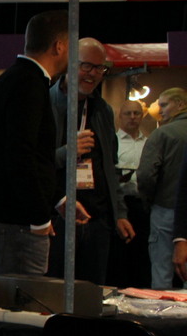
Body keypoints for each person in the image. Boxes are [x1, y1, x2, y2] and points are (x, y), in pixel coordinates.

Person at [0, 10, 70, 285]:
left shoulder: (12, 79)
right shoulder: (29, 84)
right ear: (59, 46)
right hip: (12, 221)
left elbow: (26, 154)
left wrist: (57, 198)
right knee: (18, 303)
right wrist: (39, 217)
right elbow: (20, 156)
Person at [46, 37, 134, 286]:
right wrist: (67, 152)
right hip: (57, 218)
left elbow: (110, 167)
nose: (93, 74)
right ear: (70, 64)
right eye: (86, 66)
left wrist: (119, 213)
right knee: (55, 293)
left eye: (99, 68)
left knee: (92, 293)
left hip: (97, 221)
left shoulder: (102, 110)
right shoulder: (45, 104)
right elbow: (31, 163)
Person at [138, 88, 187, 289]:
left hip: (165, 209)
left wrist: (149, 200)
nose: (160, 110)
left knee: (161, 274)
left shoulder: (162, 133)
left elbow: (145, 175)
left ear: (181, 104)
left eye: (164, 104)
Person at [110, 98, 150, 287]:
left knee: (141, 253)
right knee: (119, 254)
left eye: (137, 113)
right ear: (120, 116)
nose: (132, 117)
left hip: (142, 204)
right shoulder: (114, 141)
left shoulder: (149, 142)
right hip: (120, 202)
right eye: (128, 113)